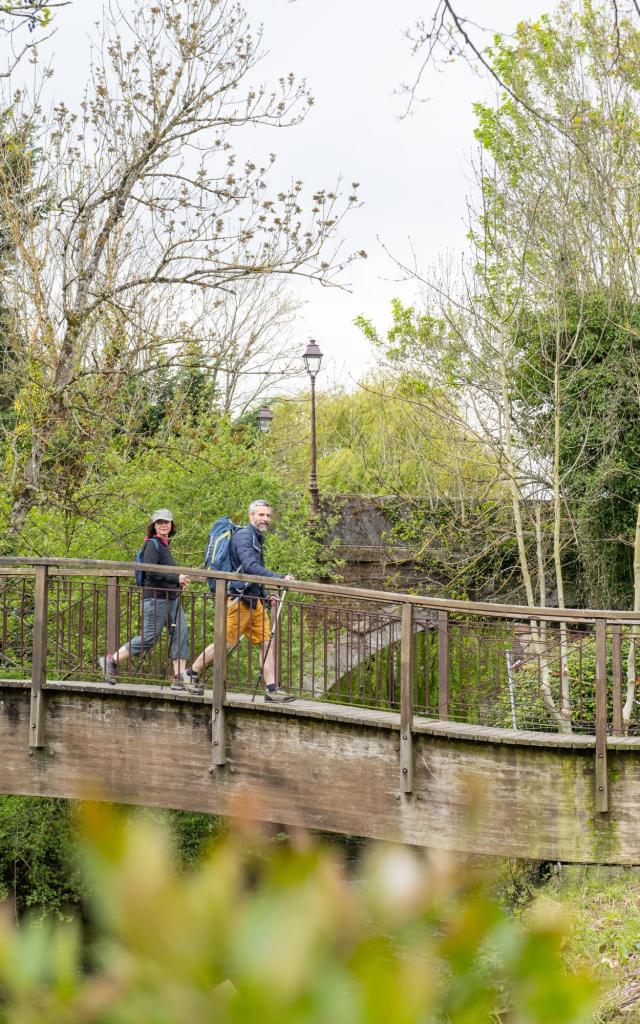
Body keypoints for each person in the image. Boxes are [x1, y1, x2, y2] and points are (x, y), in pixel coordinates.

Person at [192, 499, 295, 702]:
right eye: (261, 515)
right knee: (226, 642)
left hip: (253, 600)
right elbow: (249, 566)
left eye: (268, 515)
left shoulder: (256, 537)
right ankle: (191, 672)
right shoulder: (244, 536)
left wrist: (266, 597)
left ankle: (271, 690)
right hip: (238, 599)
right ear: (251, 516)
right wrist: (279, 577)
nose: (265, 519)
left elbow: (256, 570)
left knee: (267, 642)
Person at [99, 509, 202, 694]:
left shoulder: (164, 546)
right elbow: (151, 572)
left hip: (172, 599)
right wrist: (175, 578)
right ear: (154, 525)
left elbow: (166, 575)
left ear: (172, 525)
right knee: (149, 638)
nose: (164, 525)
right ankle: (110, 660)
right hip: (155, 599)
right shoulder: (152, 545)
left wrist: (178, 583)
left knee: (181, 635)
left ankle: (178, 679)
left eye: (167, 522)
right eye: (160, 522)